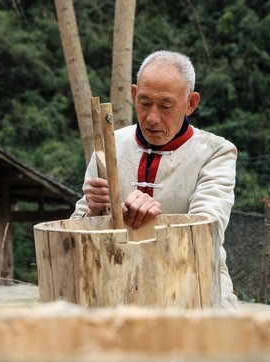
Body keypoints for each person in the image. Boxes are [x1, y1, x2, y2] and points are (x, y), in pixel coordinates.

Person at [71, 50, 238, 310]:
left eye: (166, 106)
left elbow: (208, 229)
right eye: (145, 102)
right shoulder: (110, 145)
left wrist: (156, 221)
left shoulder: (216, 152)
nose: (152, 117)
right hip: (117, 280)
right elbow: (74, 232)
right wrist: (93, 210)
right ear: (134, 94)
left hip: (194, 282)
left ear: (190, 103)